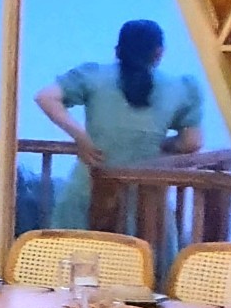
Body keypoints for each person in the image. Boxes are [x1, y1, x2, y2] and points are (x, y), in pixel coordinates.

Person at [38, 19, 204, 230]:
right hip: (145, 200)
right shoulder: (181, 88)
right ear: (159, 53)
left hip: (88, 190)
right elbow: (192, 142)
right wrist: (159, 144)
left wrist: (81, 137)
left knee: (77, 249)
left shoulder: (93, 75)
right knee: (144, 249)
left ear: (118, 50)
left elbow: (45, 97)